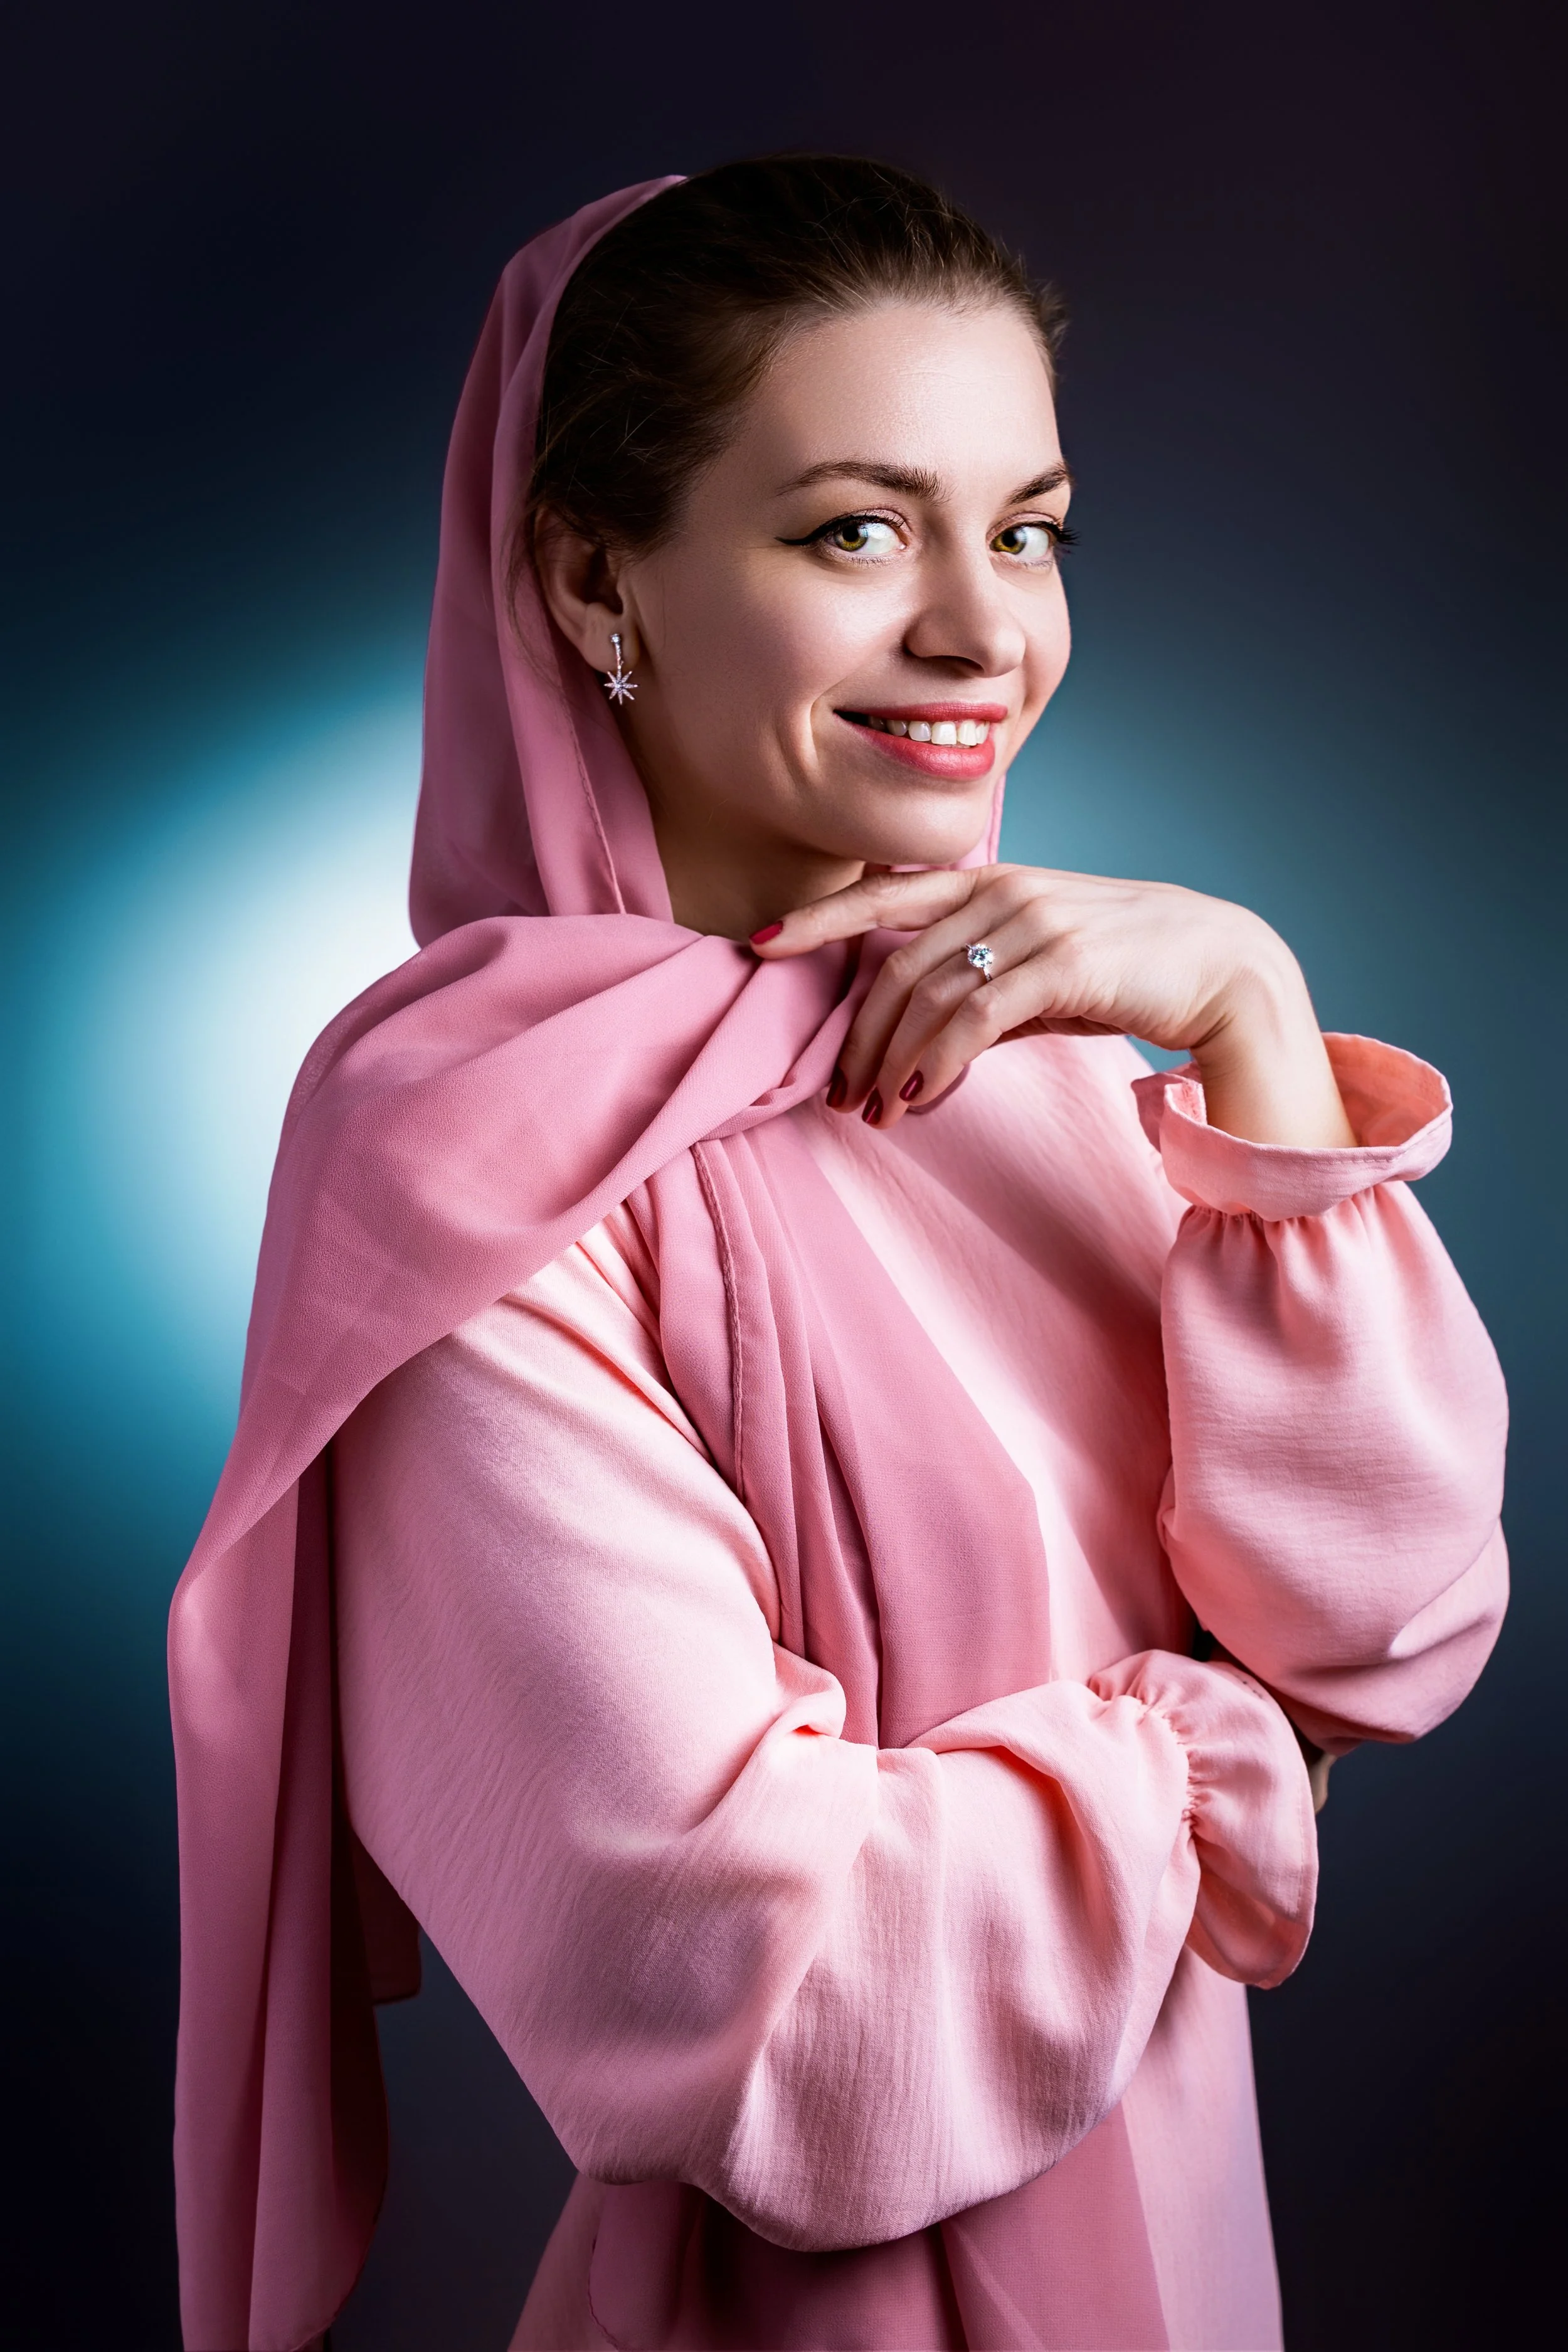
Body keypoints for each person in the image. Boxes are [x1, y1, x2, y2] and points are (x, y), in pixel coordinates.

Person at [167, 159, 1508, 2352]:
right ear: (597, 576)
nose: (984, 630)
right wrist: (1214, 1752)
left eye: (1030, 526)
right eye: (856, 530)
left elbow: (1387, 1624)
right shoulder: (473, 1170)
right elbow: (752, 2002)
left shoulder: (1061, 1044)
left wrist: (1256, 1017)